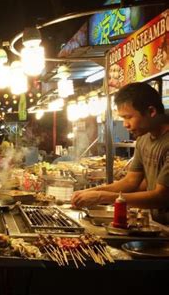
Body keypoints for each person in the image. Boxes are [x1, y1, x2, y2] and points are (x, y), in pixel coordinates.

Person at [72, 83, 169, 224]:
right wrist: (91, 191)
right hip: (160, 225)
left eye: (128, 117)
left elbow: (161, 196)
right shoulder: (143, 139)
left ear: (151, 111)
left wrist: (101, 197)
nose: (125, 124)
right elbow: (130, 181)